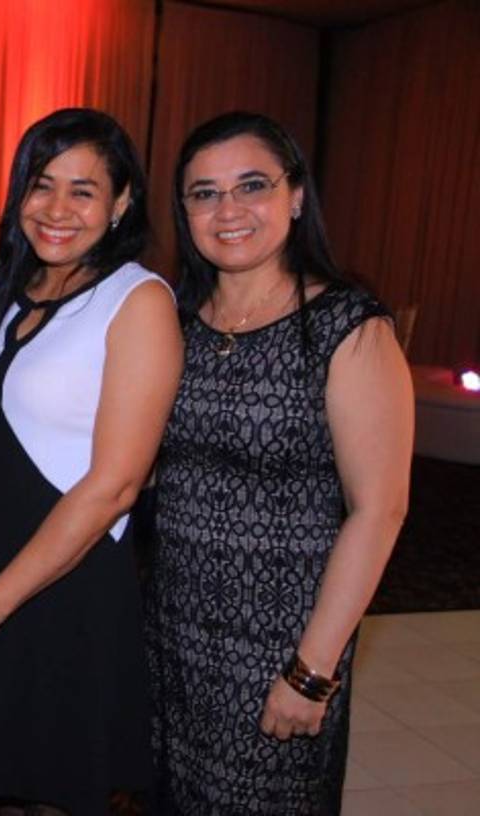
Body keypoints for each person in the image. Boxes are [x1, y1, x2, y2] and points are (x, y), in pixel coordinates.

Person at [145, 111, 414, 814]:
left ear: (295, 197)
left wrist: (313, 670)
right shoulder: (175, 322)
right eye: (203, 193)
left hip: (283, 644)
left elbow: (380, 508)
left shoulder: (346, 327)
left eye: (251, 185)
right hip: (173, 636)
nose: (226, 209)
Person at [0, 108, 183, 814]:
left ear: (122, 202)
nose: (57, 209)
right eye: (41, 185)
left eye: (84, 190)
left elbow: (117, 483)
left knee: (53, 793)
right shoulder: (6, 293)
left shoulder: (139, 300)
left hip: (64, 583)